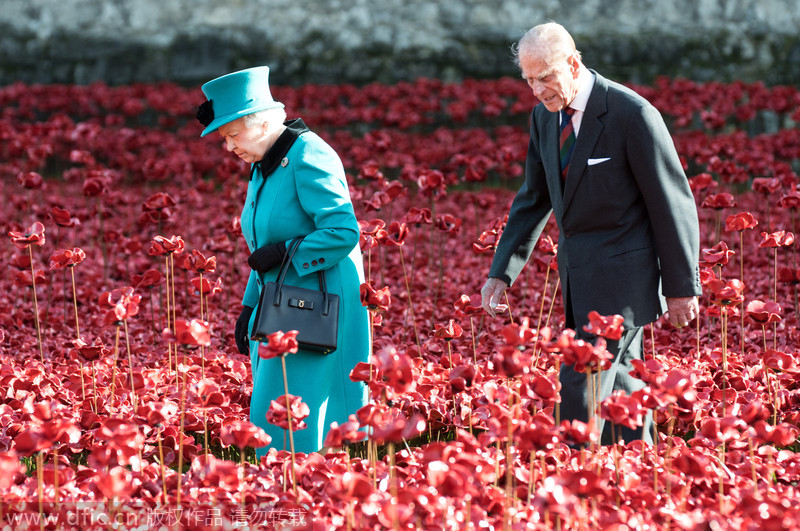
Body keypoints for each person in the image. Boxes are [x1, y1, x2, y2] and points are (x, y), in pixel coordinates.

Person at [480, 22, 701, 444]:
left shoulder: (631, 114)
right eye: (529, 80)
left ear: (573, 64)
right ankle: (638, 479)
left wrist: (681, 287)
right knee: (622, 386)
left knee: (580, 380)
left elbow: (671, 202)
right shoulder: (544, 118)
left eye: (546, 76)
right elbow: (533, 197)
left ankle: (574, 484)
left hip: (624, 280)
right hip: (578, 277)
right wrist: (501, 272)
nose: (538, 89)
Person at [196, 66, 369, 455]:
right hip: (281, 303)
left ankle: (308, 501)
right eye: (224, 139)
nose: (229, 147)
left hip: (319, 305)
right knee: (275, 414)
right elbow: (264, 246)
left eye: (232, 135)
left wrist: (287, 251)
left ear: (261, 122)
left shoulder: (309, 154)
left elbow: (343, 231)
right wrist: (248, 305)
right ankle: (285, 498)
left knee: (297, 415)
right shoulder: (263, 165)